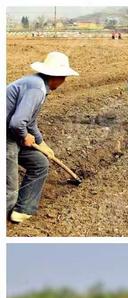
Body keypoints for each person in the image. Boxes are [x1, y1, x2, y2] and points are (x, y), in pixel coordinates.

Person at [6, 51, 79, 223]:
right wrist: (24, 136)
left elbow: (29, 122)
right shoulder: (36, 88)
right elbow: (18, 123)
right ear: (56, 76)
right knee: (10, 187)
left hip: (10, 133)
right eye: (64, 77)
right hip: (7, 136)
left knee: (39, 162)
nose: (64, 82)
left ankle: (23, 209)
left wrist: (42, 144)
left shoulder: (37, 85)